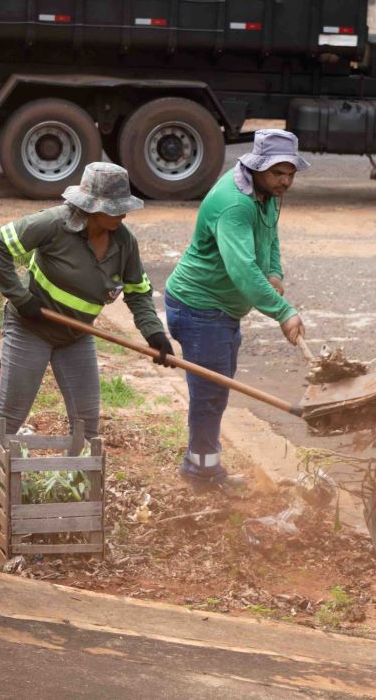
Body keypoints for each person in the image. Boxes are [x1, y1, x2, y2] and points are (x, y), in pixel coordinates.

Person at [0, 162, 174, 524]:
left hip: (77, 337)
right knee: (9, 419)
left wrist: (155, 334)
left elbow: (138, 292)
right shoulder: (54, 223)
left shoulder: (124, 242)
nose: (121, 214)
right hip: (31, 328)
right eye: (113, 207)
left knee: (87, 423)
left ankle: (78, 506)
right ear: (90, 206)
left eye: (124, 207)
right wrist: (20, 297)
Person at [164, 130, 309, 489]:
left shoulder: (268, 193)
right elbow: (243, 270)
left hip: (222, 311)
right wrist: (283, 311)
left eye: (290, 173)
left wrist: (274, 271)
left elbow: (271, 235)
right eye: (278, 173)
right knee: (210, 395)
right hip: (198, 308)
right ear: (257, 166)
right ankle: (201, 473)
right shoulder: (235, 204)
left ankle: (202, 468)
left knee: (216, 392)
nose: (286, 181)